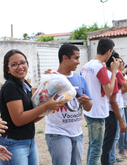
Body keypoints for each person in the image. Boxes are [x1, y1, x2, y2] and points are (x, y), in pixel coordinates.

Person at [0, 49, 66, 165]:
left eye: (23, 63)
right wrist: (46, 106)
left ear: (27, 64)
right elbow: (19, 120)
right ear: (7, 69)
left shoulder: (24, 85)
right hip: (13, 143)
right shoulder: (10, 87)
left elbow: (31, 117)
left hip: (29, 141)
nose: (20, 67)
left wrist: (50, 106)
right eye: (14, 65)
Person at [45, 44, 92, 165]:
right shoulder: (51, 78)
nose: (78, 62)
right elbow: (40, 104)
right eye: (76, 58)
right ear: (65, 58)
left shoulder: (80, 79)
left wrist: (87, 102)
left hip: (77, 134)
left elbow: (88, 107)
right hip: (57, 133)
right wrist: (46, 79)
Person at [81, 37, 119, 165]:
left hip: (89, 111)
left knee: (93, 146)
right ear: (108, 51)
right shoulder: (100, 68)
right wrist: (114, 72)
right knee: (96, 149)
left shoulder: (86, 66)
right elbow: (109, 92)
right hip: (97, 112)